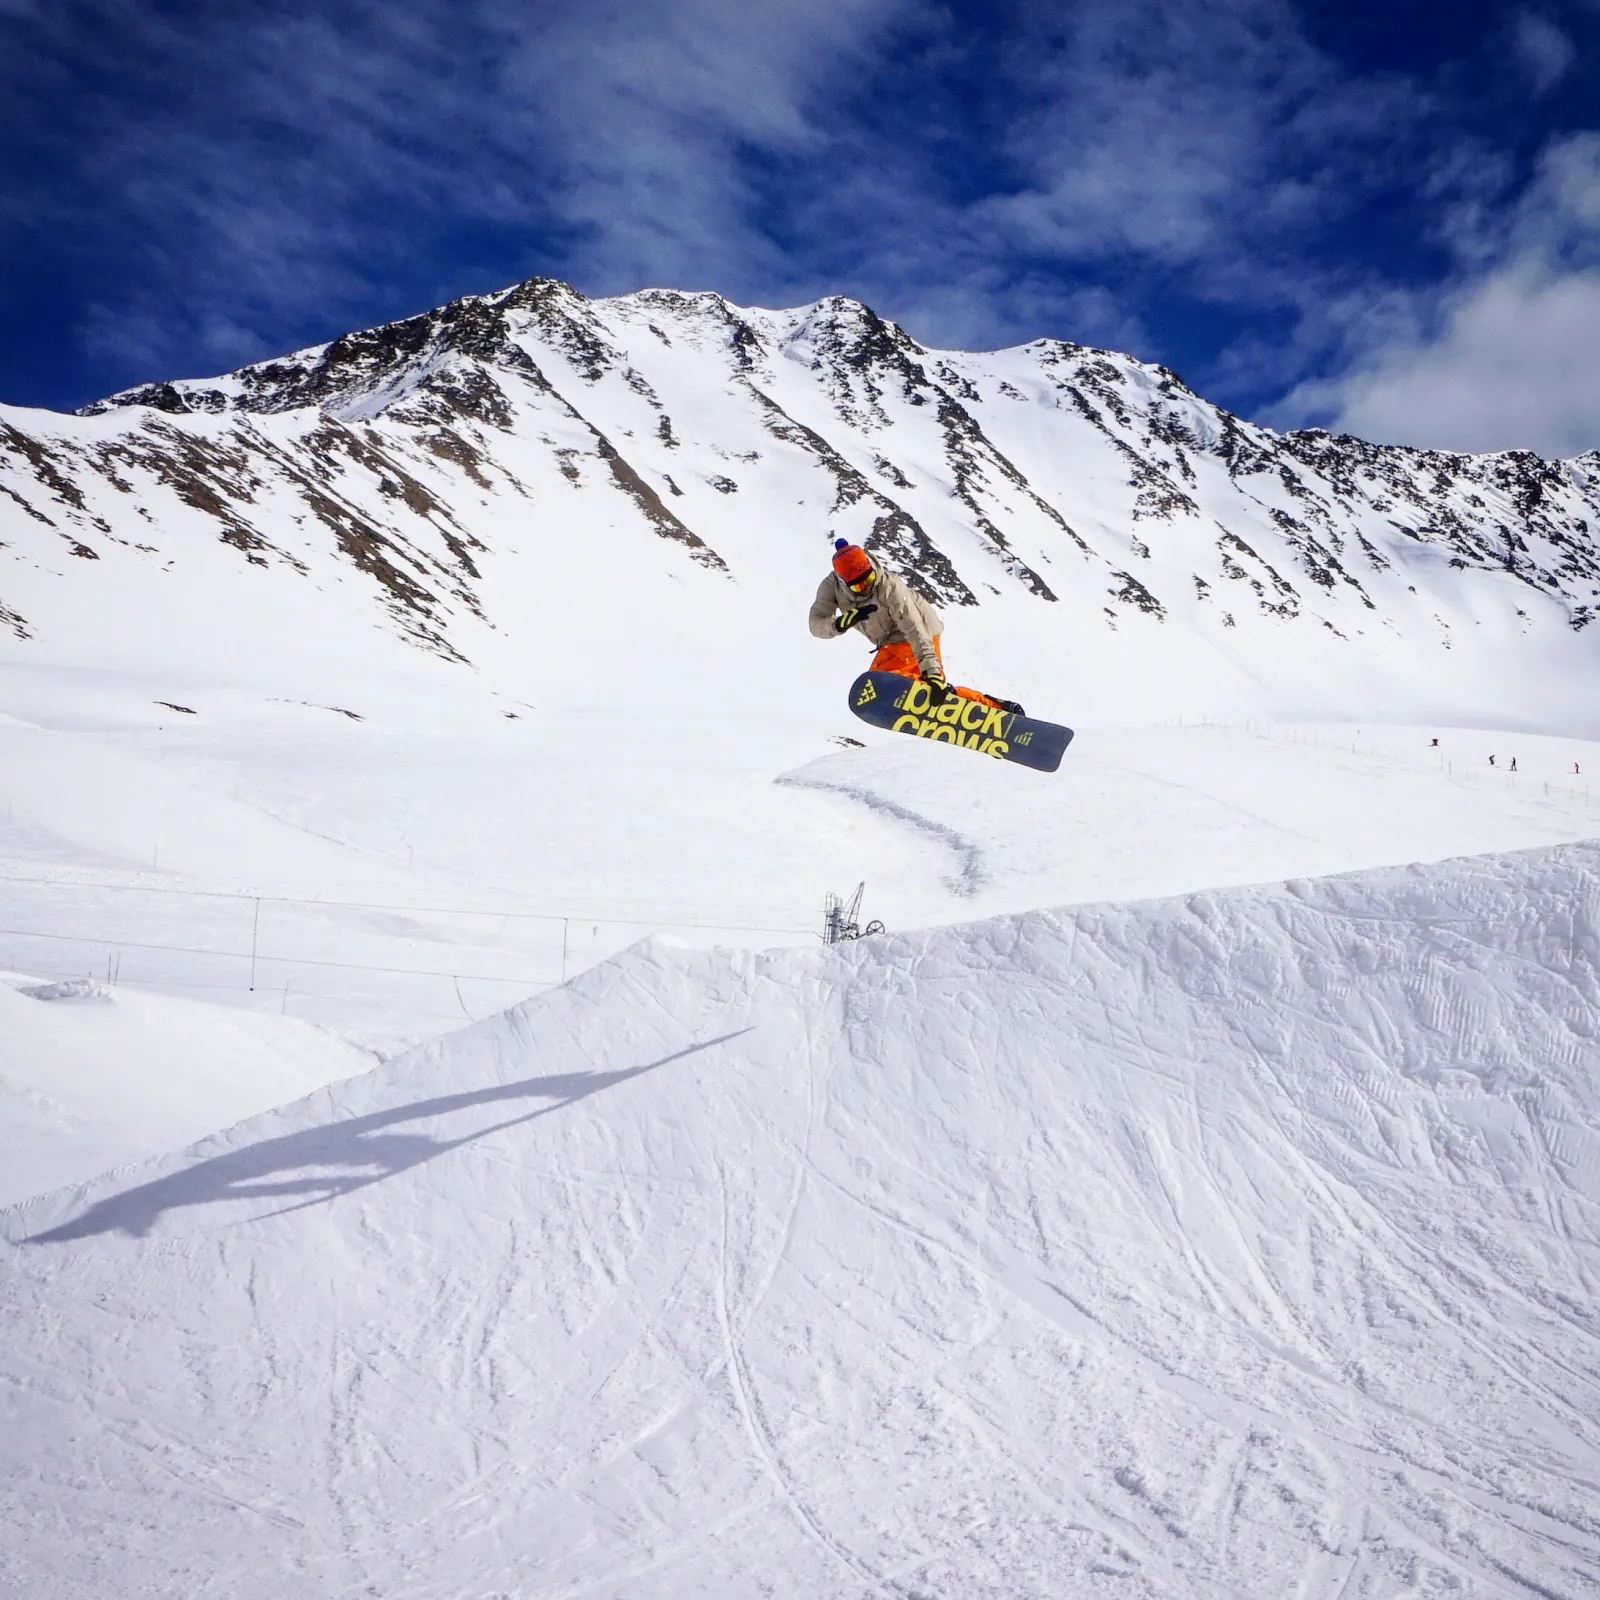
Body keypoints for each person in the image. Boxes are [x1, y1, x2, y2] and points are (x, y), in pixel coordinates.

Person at [809, 539, 1022, 713]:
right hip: (890, 641)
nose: (867, 586)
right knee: (886, 685)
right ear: (843, 581)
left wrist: (933, 674)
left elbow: (915, 629)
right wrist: (838, 624)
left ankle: (986, 707)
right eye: (858, 585)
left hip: (919, 631)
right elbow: (815, 624)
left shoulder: (889, 587)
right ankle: (993, 707)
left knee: (882, 684)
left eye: (869, 577)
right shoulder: (831, 587)